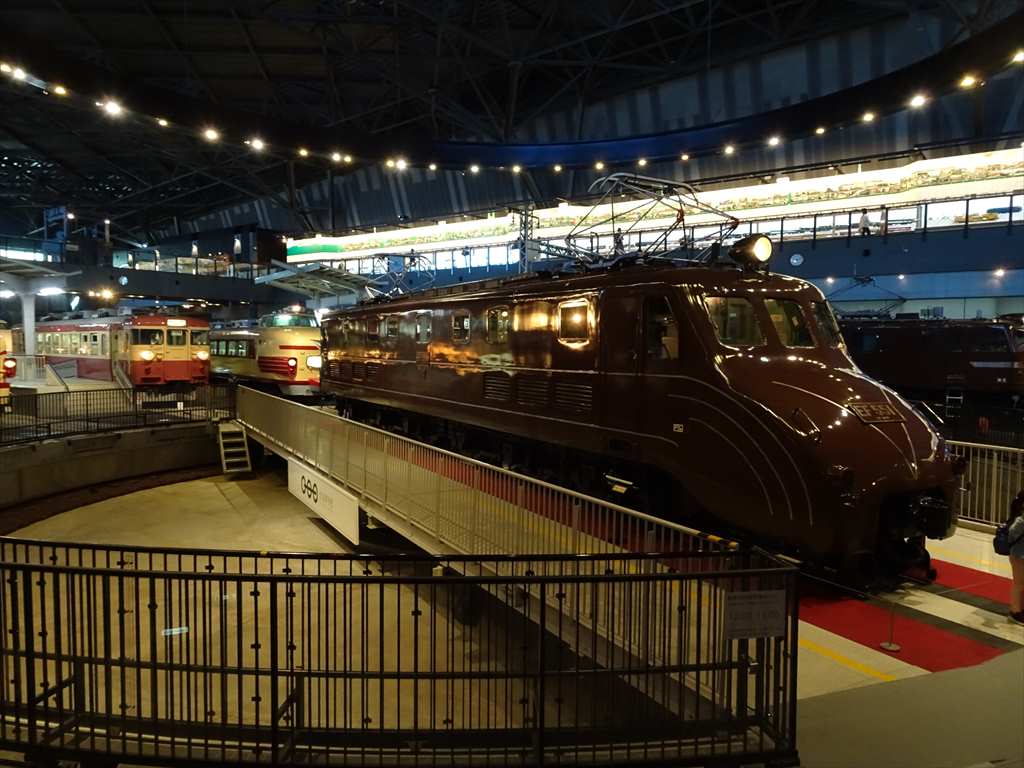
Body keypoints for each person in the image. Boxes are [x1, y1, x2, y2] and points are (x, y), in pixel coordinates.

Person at [1008, 492, 1024, 624]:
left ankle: (1020, 608)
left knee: (1021, 584)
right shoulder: (1020, 521)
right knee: (1018, 584)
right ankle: (1015, 612)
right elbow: (1012, 534)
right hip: (1018, 556)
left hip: (1021, 555)